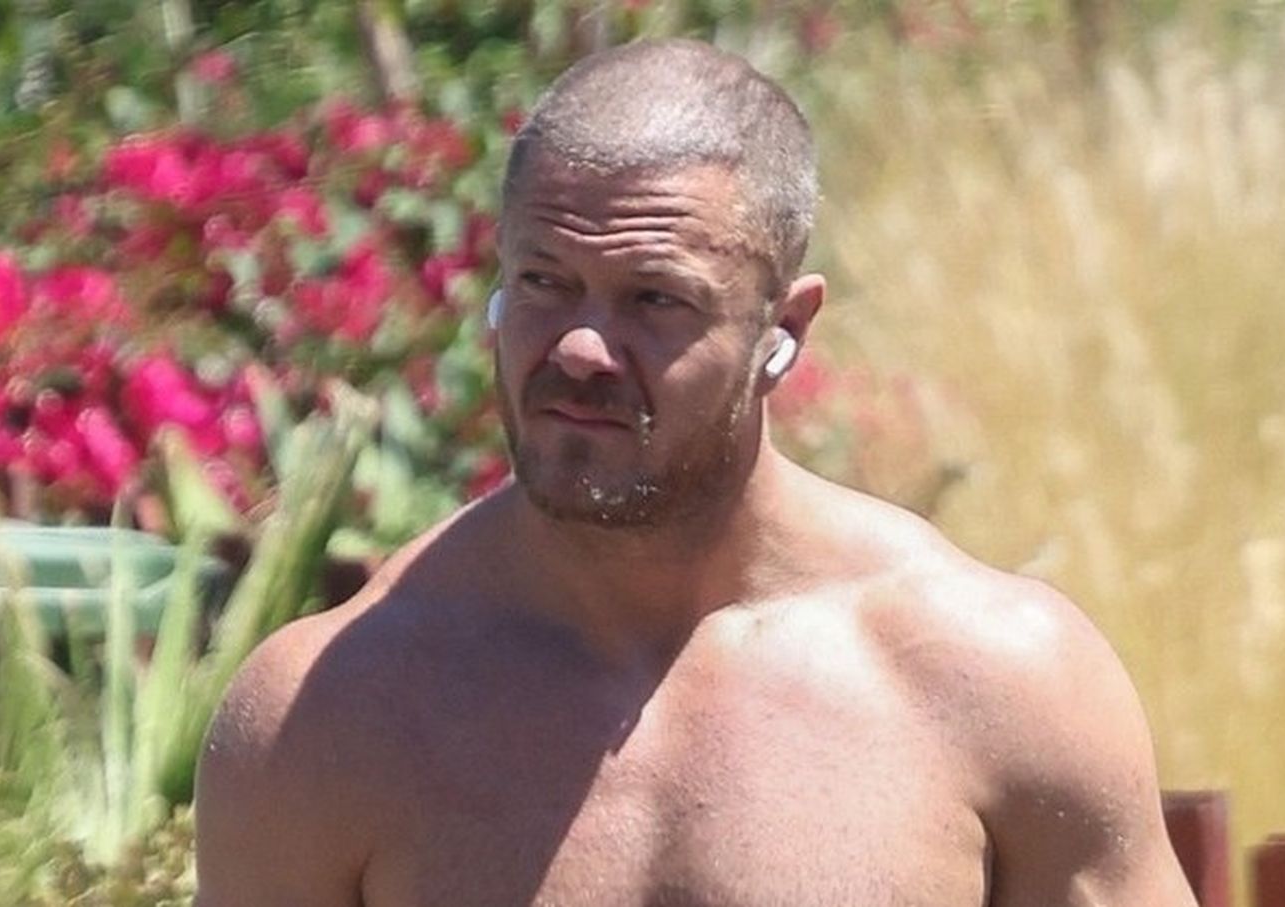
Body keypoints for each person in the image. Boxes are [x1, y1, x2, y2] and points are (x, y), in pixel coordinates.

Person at [193, 39, 1197, 907]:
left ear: (783, 328)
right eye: (543, 282)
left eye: (655, 299)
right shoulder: (329, 716)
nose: (581, 346)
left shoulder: (995, 678)